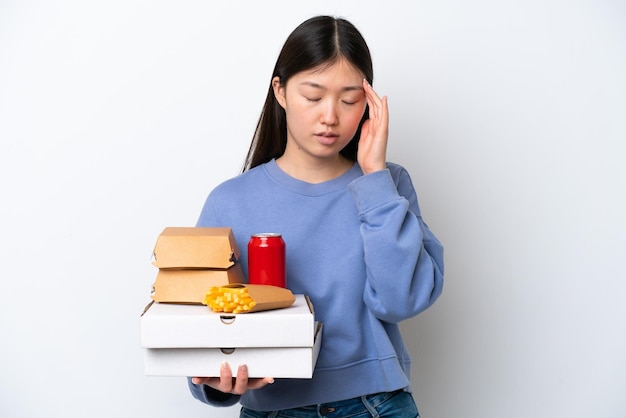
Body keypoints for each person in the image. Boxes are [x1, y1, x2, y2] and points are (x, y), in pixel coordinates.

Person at [188, 15, 444, 418]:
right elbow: (200, 329)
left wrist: (375, 180)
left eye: (348, 100)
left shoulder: (388, 184)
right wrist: (219, 387)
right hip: (271, 408)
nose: (330, 116)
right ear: (281, 91)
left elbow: (400, 301)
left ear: (369, 103)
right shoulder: (229, 203)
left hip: (376, 405)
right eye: (313, 96)